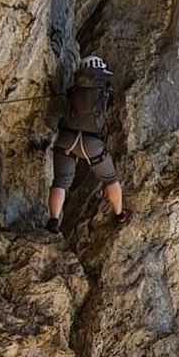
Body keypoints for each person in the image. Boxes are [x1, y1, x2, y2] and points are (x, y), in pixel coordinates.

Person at [46, 56, 130, 233]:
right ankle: (120, 214)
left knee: (60, 182)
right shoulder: (104, 91)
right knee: (110, 179)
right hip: (92, 143)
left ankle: (53, 221)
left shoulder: (73, 90)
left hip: (66, 139)